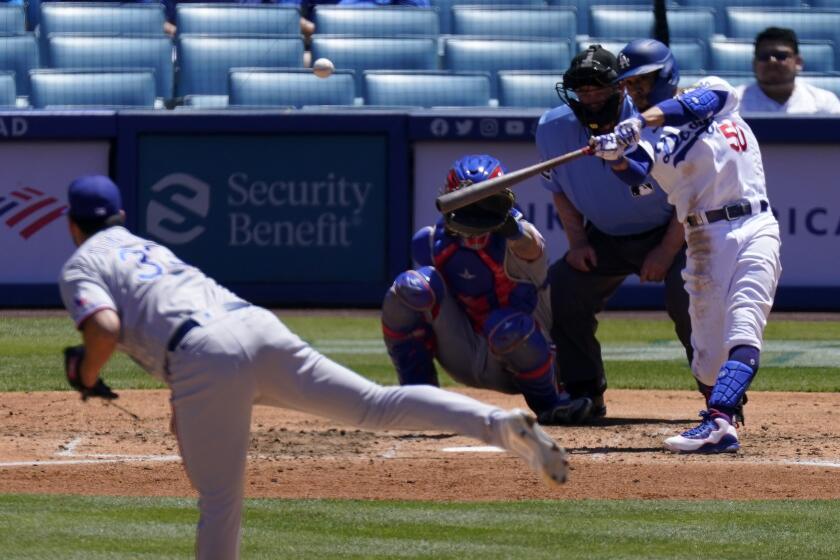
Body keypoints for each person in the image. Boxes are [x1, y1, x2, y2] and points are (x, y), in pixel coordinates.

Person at [58, 175, 569, 559]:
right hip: (253, 325)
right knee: (376, 406)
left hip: (201, 356)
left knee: (219, 498)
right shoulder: (146, 245)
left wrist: (84, 372)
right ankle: (499, 425)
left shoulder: (81, 263)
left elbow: (103, 328)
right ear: (120, 215)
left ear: (71, 223)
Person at [590, 40, 782, 453]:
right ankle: (721, 414)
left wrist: (640, 121)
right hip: (702, 238)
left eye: (643, 80)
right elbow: (639, 178)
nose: (636, 89)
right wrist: (615, 158)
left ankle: (718, 422)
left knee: (745, 323)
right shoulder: (642, 138)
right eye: (630, 84)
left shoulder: (711, 89)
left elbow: (701, 102)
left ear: (665, 74)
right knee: (709, 358)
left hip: (754, 223)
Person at [535, 44, 693, 420]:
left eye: (599, 88)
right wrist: (577, 242)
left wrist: (667, 252)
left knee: (690, 297)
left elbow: (693, 197)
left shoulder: (652, 120)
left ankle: (719, 398)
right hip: (604, 235)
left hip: (671, 229)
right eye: (582, 90)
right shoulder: (551, 128)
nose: (589, 98)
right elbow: (558, 190)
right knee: (560, 290)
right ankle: (584, 393)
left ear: (621, 88)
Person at [381, 154, 593, 426]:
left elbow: (531, 246)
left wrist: (507, 224)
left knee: (506, 327)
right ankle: (419, 400)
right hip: (464, 350)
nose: (474, 209)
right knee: (409, 288)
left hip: (521, 356)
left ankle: (552, 403)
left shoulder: (520, 239)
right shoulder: (431, 241)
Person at [736, 26, 840, 115]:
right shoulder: (733, 102)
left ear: (798, 62)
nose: (772, 61)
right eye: (764, 56)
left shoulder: (824, 102)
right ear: (754, 63)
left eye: (781, 56)